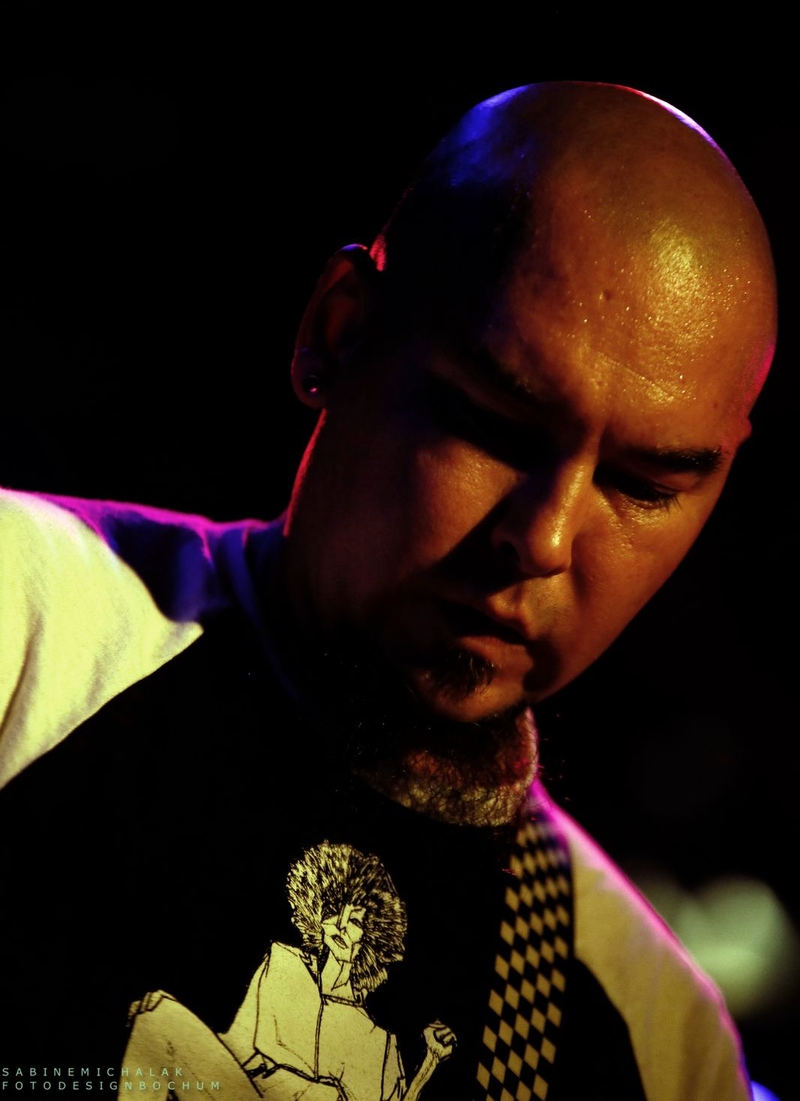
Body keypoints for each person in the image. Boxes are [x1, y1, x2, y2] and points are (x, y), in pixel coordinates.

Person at [0, 81, 776, 1100]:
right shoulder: (26, 616)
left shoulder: (661, 1045)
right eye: (495, 425)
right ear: (337, 332)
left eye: (641, 485)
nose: (542, 541)